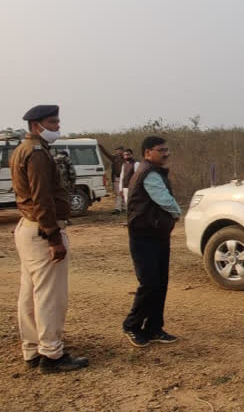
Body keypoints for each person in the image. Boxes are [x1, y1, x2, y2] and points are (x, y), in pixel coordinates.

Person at [10, 104, 89, 373]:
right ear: (36, 126)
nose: (57, 126)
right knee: (49, 296)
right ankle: (52, 354)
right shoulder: (38, 154)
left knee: (30, 293)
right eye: (53, 122)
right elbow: (42, 198)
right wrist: (54, 237)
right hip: (42, 230)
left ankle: (32, 349)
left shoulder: (24, 150)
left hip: (28, 227)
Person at [122, 136, 181, 347]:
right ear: (148, 153)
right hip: (144, 236)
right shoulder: (149, 173)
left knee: (160, 283)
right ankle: (132, 325)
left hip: (156, 235)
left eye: (167, 149)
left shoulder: (153, 171)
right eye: (161, 150)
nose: (166, 153)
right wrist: (177, 213)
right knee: (149, 283)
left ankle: (154, 328)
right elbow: (163, 199)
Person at [99, 144, 125, 213]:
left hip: (125, 178)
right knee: (118, 193)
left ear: (122, 151)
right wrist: (100, 146)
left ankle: (124, 207)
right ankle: (118, 209)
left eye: (119, 151)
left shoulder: (126, 158)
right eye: (117, 151)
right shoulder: (114, 158)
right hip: (117, 178)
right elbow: (106, 153)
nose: (118, 152)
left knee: (124, 193)